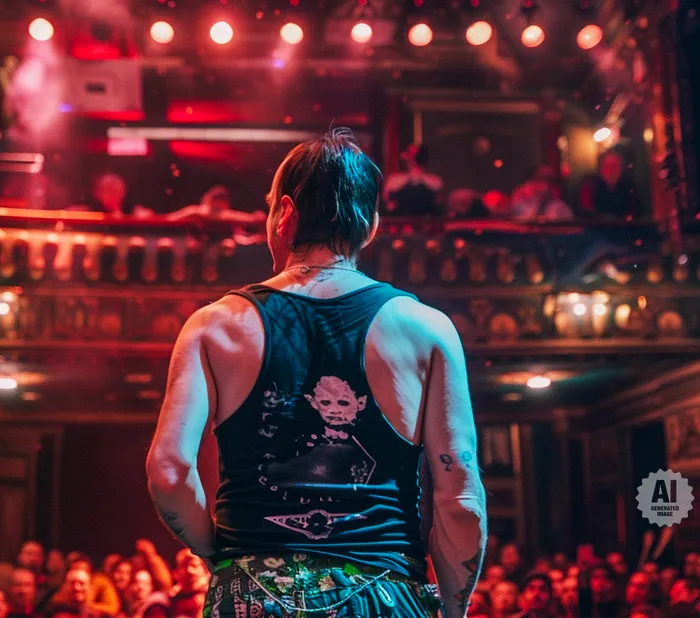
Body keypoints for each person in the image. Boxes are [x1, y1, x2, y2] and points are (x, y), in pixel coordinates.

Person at [146, 128, 487, 618]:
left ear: (284, 215)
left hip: (250, 592)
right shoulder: (427, 330)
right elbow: (461, 499)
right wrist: (453, 610)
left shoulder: (213, 326)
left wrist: (221, 555)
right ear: (369, 225)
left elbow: (170, 472)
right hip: (382, 595)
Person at [383, 143, 444, 217]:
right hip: (400, 223)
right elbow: (387, 204)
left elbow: (439, 205)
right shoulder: (394, 180)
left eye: (408, 152)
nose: (402, 155)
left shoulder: (435, 181)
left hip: (427, 223)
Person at [577, 151, 642, 219]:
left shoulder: (629, 187)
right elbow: (586, 213)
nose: (611, 170)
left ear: (621, 169)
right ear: (601, 168)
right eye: (607, 165)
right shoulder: (590, 186)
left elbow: (634, 213)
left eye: (615, 165)